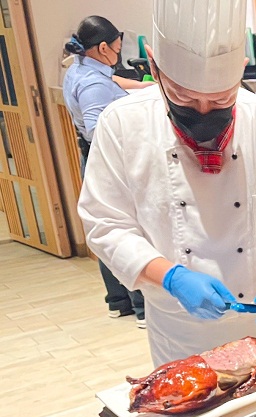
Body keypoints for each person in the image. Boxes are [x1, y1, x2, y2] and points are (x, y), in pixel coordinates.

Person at [78, 0, 256, 366]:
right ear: (154, 66)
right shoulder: (122, 125)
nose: (201, 111)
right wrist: (171, 277)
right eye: (183, 96)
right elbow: (106, 225)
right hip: (183, 335)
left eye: (219, 99)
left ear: (240, 71)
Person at [63, 15, 153, 328]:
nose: (118, 53)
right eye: (116, 48)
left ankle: (118, 302)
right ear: (102, 48)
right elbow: (95, 128)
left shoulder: (80, 69)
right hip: (109, 161)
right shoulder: (91, 83)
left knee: (106, 223)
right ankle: (142, 307)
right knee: (126, 225)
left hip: (96, 158)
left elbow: (111, 82)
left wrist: (145, 86)